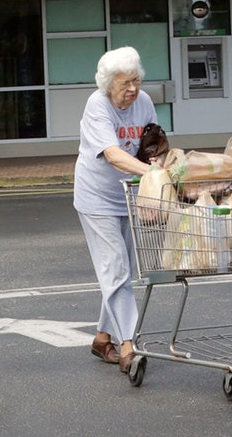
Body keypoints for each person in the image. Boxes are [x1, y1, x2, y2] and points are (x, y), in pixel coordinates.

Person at [73, 46, 157, 374]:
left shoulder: (144, 101)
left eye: (136, 81)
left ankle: (102, 338)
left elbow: (153, 146)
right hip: (96, 199)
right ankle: (128, 345)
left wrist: (155, 181)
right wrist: (154, 174)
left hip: (128, 196)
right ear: (108, 85)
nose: (133, 89)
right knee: (117, 269)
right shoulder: (97, 105)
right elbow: (113, 154)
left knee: (118, 271)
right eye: (125, 84)